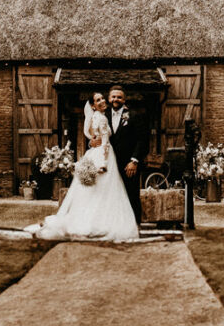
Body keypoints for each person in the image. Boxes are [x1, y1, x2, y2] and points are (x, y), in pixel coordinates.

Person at [23, 92, 139, 242]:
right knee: (103, 190)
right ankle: (100, 224)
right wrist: (103, 163)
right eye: (98, 100)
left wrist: (92, 143)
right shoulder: (102, 117)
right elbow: (103, 141)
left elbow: (93, 136)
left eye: (103, 98)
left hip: (97, 154)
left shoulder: (98, 116)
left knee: (95, 191)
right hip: (104, 156)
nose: (103, 101)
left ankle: (91, 221)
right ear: (92, 105)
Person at [106, 84, 151, 227]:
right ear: (109, 98)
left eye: (119, 97)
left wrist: (134, 161)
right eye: (113, 96)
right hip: (109, 164)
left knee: (131, 194)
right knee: (110, 195)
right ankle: (114, 224)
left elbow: (142, 140)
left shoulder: (134, 115)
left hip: (128, 164)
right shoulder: (102, 115)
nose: (116, 99)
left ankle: (134, 225)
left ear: (124, 100)